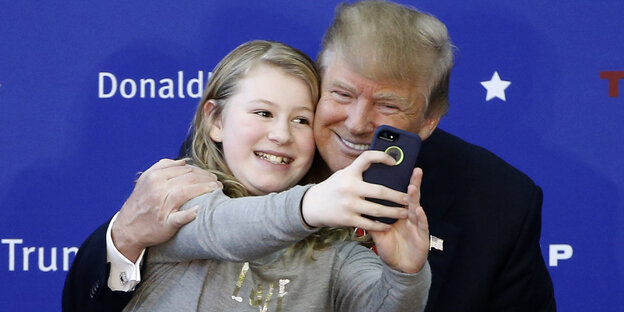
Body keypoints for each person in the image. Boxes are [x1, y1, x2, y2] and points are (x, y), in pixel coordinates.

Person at [63, 1, 556, 311]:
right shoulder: (258, 156)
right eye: (340, 93)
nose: (359, 123)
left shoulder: (499, 201)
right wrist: (123, 240)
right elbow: (212, 227)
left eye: (388, 105)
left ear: (428, 119)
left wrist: (407, 274)